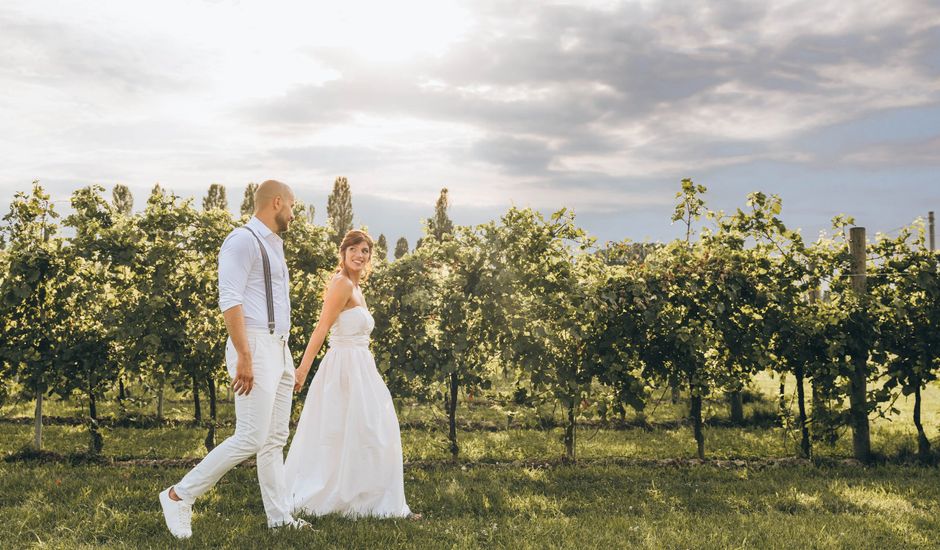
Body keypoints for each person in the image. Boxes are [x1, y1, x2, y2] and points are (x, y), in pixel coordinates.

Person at [159, 180, 309, 538]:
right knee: (250, 437)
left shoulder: (274, 245)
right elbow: (230, 299)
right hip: (254, 346)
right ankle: (179, 495)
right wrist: (244, 355)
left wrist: (284, 355)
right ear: (277, 203)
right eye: (291, 206)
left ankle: (279, 517)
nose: (293, 213)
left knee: (274, 439)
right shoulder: (242, 240)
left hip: (279, 348)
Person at [286, 230, 419, 519]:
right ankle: (343, 497)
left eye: (365, 251)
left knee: (372, 430)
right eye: (354, 250)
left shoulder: (357, 287)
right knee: (342, 431)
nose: (360, 255)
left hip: (362, 368)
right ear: (343, 252)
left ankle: (374, 500)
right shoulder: (341, 284)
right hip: (342, 369)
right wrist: (302, 370)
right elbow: (322, 328)